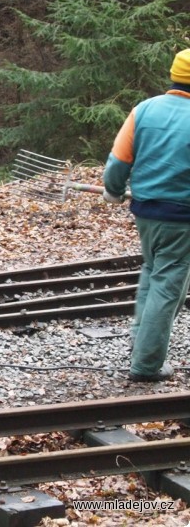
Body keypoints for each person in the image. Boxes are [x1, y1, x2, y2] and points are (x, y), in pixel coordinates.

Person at [102, 48, 190, 382]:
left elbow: (118, 162)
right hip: (181, 217)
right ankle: (146, 364)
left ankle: (139, 342)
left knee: (153, 273)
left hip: (146, 213)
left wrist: (113, 189)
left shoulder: (144, 109)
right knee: (168, 286)